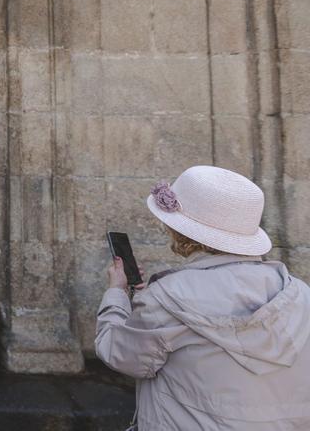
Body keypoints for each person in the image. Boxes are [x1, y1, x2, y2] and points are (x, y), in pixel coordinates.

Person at [95, 165, 310, 430]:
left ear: (182, 232)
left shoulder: (165, 299)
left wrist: (117, 292)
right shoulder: (300, 294)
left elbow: (117, 352)